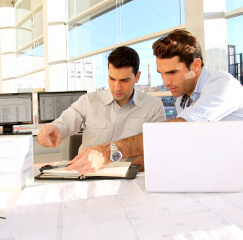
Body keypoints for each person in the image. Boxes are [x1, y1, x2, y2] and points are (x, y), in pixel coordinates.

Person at [66, 29, 243, 174]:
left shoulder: (222, 84)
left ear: (196, 65)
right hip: (212, 173)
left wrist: (108, 151)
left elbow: (182, 131)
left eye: (172, 73)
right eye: (162, 74)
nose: (165, 82)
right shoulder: (182, 97)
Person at [37, 46, 166, 173]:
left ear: (137, 77)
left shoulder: (153, 106)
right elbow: (66, 121)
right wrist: (55, 129)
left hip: (131, 176)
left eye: (124, 80)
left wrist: (122, 170)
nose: (117, 87)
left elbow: (158, 150)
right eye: (112, 79)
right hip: (88, 175)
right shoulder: (88, 101)